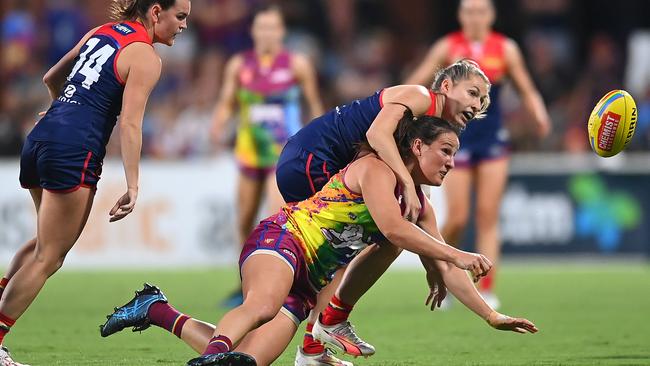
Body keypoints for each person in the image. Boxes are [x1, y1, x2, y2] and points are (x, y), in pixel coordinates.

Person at [100, 114, 537, 366]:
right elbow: (393, 231)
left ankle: (156, 309)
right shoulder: (376, 169)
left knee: (247, 361)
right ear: (417, 146)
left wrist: (488, 315)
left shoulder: (421, 206)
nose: (451, 163)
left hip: (308, 284)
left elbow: (444, 266)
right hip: (283, 240)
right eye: (446, 150)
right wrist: (459, 252)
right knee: (261, 306)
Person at [0, 1, 190, 365]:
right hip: (73, 148)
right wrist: (134, 186)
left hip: (40, 137)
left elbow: (51, 79)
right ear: (155, 12)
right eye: (179, 17)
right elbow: (131, 125)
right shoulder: (145, 57)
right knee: (49, 257)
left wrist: (64, 113)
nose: (182, 26)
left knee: (44, 243)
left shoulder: (98, 33)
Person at [282, 59, 490, 364]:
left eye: (482, 100)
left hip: (312, 159)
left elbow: (416, 217)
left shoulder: (423, 132)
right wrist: (405, 181)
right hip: (313, 157)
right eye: (473, 93)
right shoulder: (422, 97)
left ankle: (313, 340)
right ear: (446, 86)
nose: (476, 104)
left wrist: (433, 265)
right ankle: (317, 335)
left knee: (343, 251)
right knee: (343, 251)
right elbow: (377, 134)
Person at [405, 0, 551, 309]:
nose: (475, 16)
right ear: (460, 15)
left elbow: (526, 87)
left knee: (487, 216)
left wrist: (538, 113)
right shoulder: (448, 46)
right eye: (469, 11)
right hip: (454, 139)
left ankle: (487, 287)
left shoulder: (505, 49)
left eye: (481, 10)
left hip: (492, 141)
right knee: (457, 217)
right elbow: (416, 80)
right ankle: (444, 274)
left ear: (491, 15)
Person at [209, 5, 323, 307]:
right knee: (244, 221)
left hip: (283, 156)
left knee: (278, 217)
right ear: (254, 31)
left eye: (272, 27)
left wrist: (324, 142)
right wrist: (218, 123)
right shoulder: (239, 65)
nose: (267, 33)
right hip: (249, 154)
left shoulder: (297, 64)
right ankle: (244, 284)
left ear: (281, 32)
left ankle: (283, 282)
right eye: (262, 27)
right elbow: (226, 101)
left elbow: (314, 105)